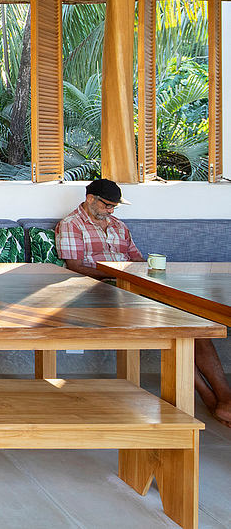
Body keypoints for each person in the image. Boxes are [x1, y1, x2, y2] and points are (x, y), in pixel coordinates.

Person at [56, 178, 231, 426]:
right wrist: (118, 274)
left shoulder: (119, 226)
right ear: (90, 199)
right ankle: (213, 397)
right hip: (102, 291)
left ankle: (222, 398)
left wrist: (140, 273)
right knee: (178, 326)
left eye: (115, 206)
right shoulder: (71, 225)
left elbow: (137, 260)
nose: (111, 211)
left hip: (135, 288)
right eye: (107, 205)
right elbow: (75, 267)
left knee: (192, 323)